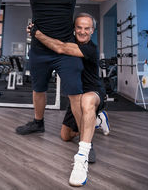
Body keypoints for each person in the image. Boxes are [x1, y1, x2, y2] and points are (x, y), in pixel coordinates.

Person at [0, 0, 129, 144]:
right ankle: (38, 122)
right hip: (39, 49)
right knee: (38, 89)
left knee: (75, 94)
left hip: (65, 49)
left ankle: (86, 141)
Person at [34, 13, 109, 186]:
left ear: (93, 30)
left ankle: (83, 153)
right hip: (76, 95)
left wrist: (37, 33)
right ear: (74, 28)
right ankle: (97, 120)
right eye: (79, 27)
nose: (82, 31)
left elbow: (60, 48)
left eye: (87, 28)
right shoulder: (70, 40)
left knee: (87, 101)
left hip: (93, 92)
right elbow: (54, 40)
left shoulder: (91, 48)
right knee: (65, 136)